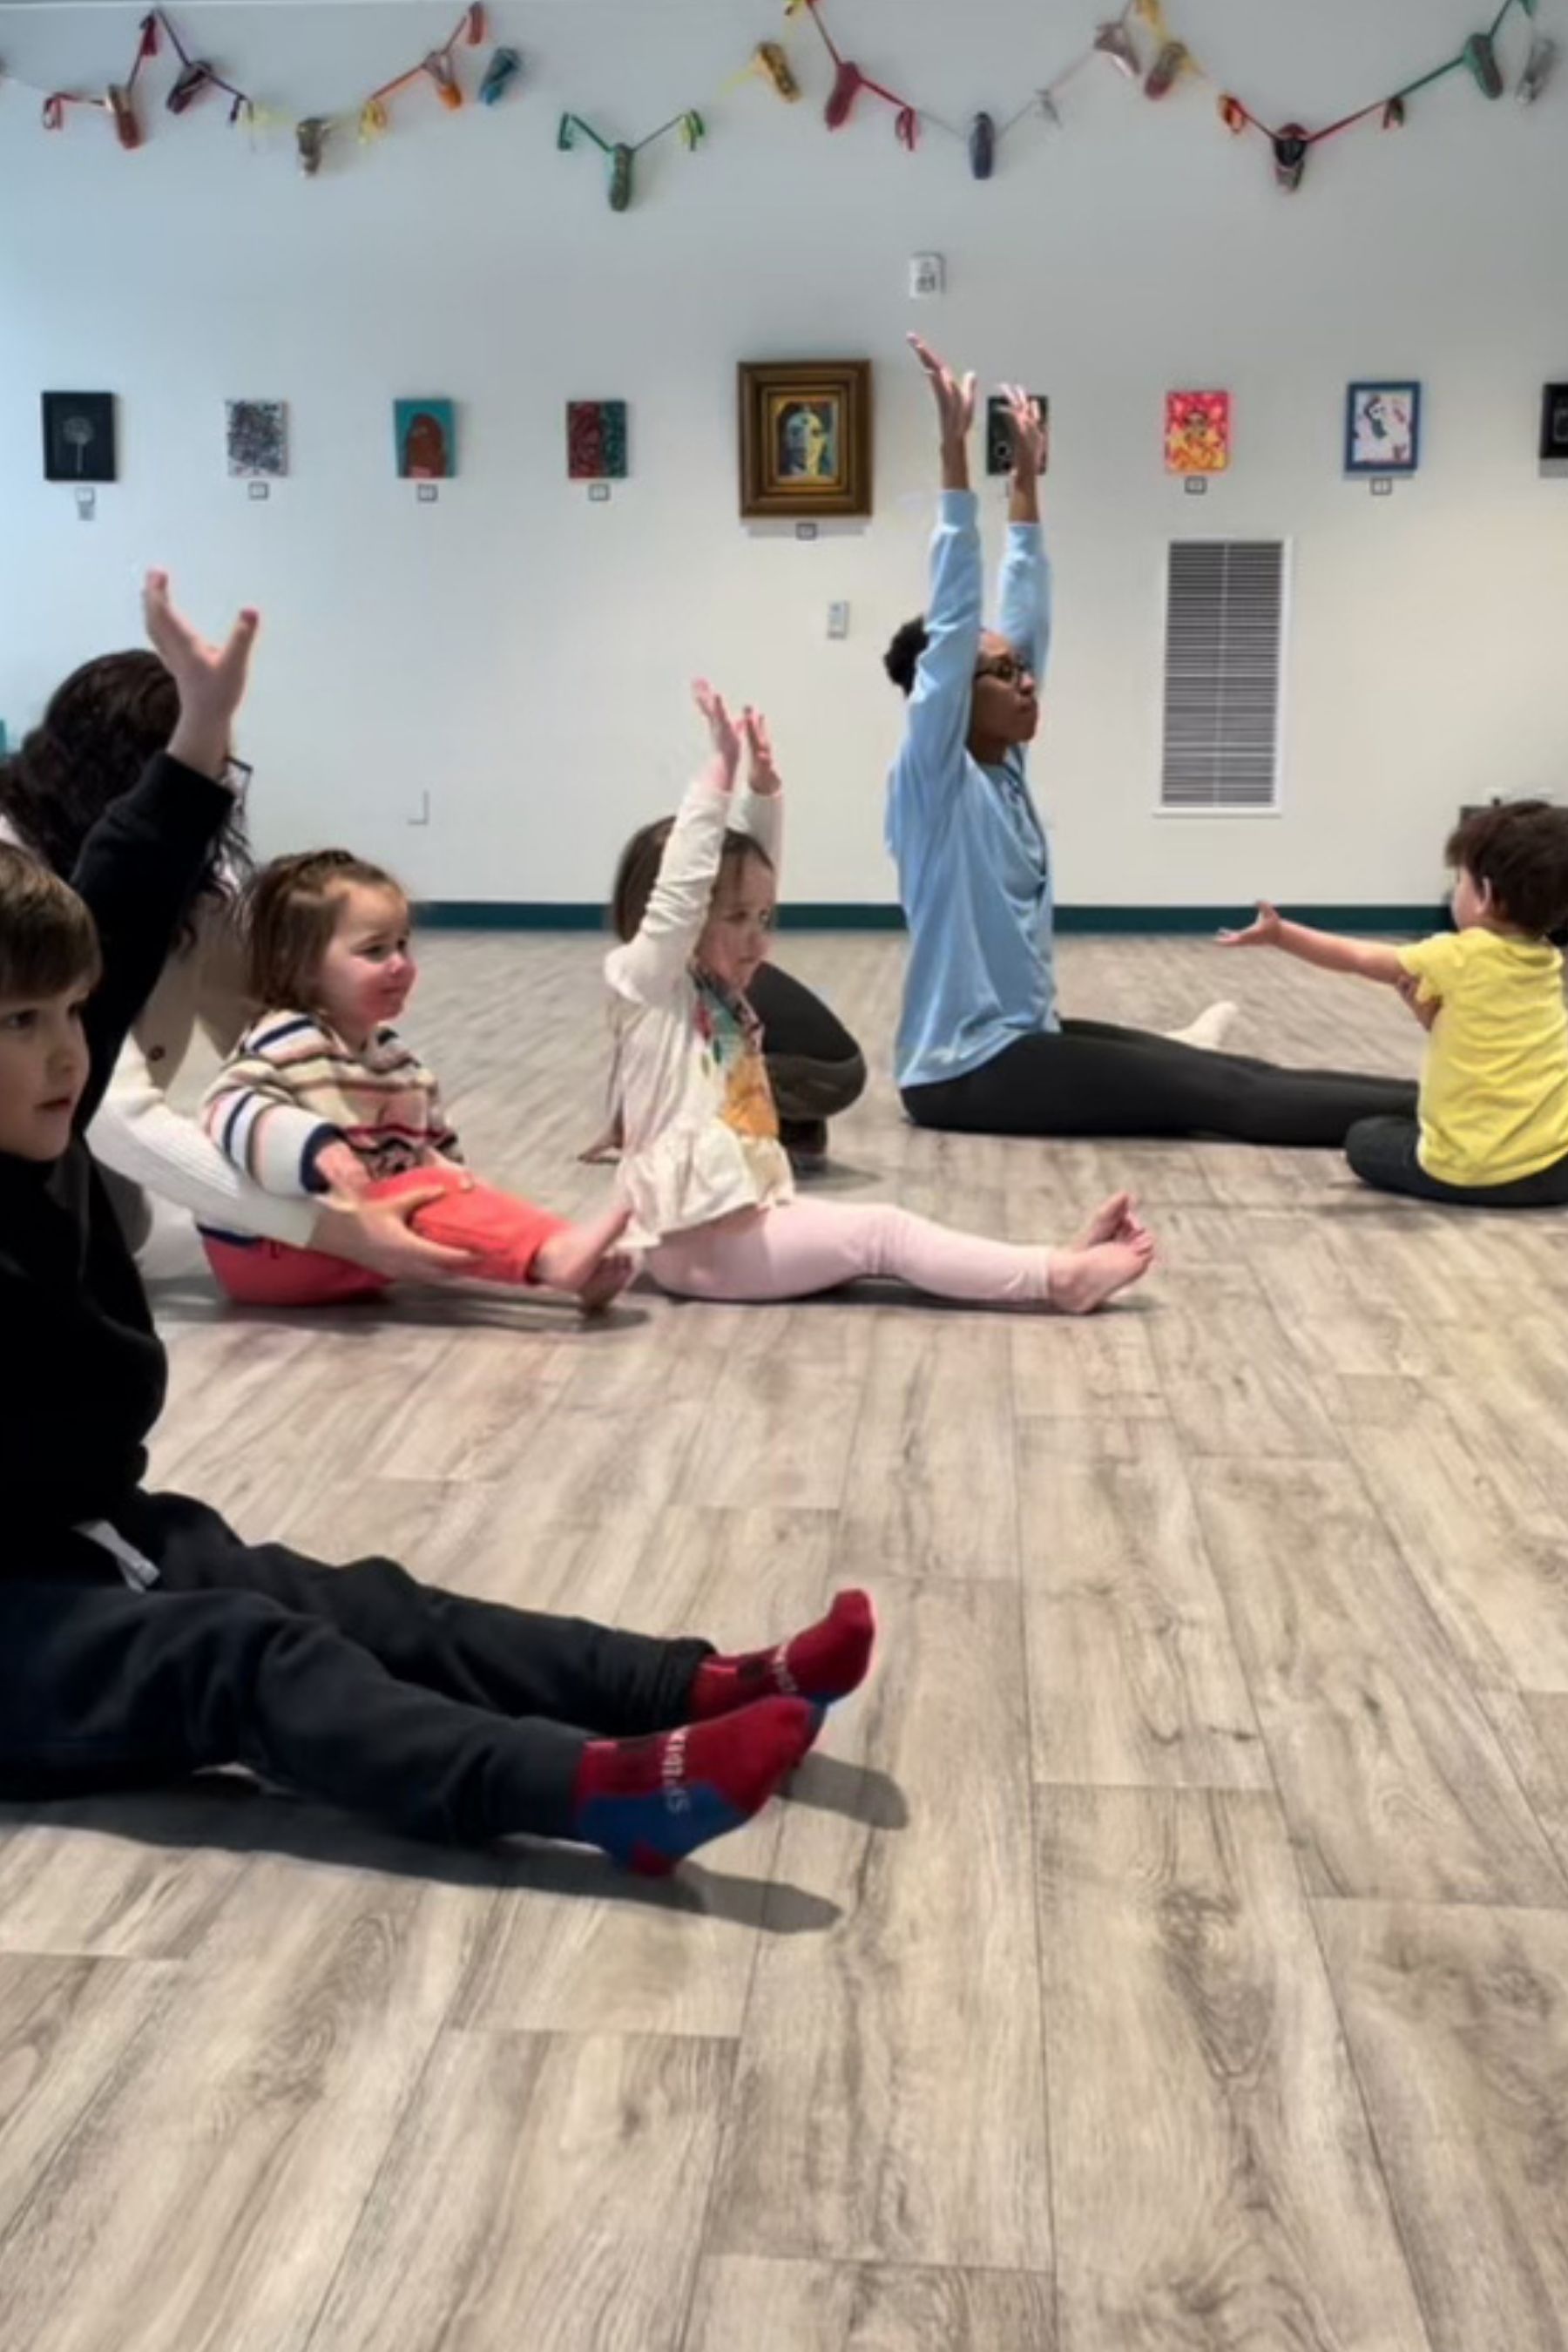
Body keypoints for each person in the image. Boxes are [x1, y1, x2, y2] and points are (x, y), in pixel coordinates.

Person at [0, 570, 875, 1873]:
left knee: (364, 1605)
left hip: (85, 1528)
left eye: (75, 1015)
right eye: (25, 1026)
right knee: (245, 1656)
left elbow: (115, 908)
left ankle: (689, 1687)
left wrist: (197, 735)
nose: (74, 1050)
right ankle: (596, 1790)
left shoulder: (47, 1107)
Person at [882, 335, 1420, 1146]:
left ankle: (1464, 1101)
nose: (1025, 680)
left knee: (1242, 1075)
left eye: (1022, 670)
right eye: (1000, 674)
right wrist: (956, 458)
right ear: (950, 691)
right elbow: (958, 622)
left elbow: (1026, 613)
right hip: (964, 1070)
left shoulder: (1005, 769)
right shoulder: (934, 781)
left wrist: (1026, 480)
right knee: (1221, 1100)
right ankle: (1464, 1122)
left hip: (1029, 1039)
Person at [604, 677, 1156, 1314]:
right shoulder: (652, 986)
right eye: (735, 921)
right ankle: (1057, 1279)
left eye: (765, 921)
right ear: (673, 921)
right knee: (883, 1235)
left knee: (880, 1234)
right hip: (701, 1249)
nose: (758, 941)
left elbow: (748, 877)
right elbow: (684, 895)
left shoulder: (715, 991)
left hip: (721, 1231)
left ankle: (1057, 1262)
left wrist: (763, 795)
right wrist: (718, 777)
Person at [0, 645, 475, 1288]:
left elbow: (274, 1031)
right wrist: (339, 1230)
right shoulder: (18, 882)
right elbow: (117, 1114)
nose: (221, 789)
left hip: (59, 1133)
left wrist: (376, 1142)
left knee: (117, 1223)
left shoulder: (199, 878)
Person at [198, 848, 633, 1308]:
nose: (399, 964)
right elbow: (224, 1105)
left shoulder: (399, 1064)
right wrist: (314, 1148)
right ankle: (554, 1256)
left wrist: (457, 1180)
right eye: (374, 951)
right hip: (269, 1247)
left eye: (403, 944)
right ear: (300, 964)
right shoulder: (287, 1037)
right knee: (427, 1195)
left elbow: (439, 1158)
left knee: (447, 1192)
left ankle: (559, 1261)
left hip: (346, 1237)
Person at [1220, 800, 1568, 1206]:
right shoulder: (1546, 959)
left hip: (1475, 1173)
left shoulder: (1458, 956)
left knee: (1366, 1138)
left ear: (1485, 895)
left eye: (1459, 879)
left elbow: (1356, 958)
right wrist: (1435, 1021)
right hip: (1552, 1171)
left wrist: (1283, 936)